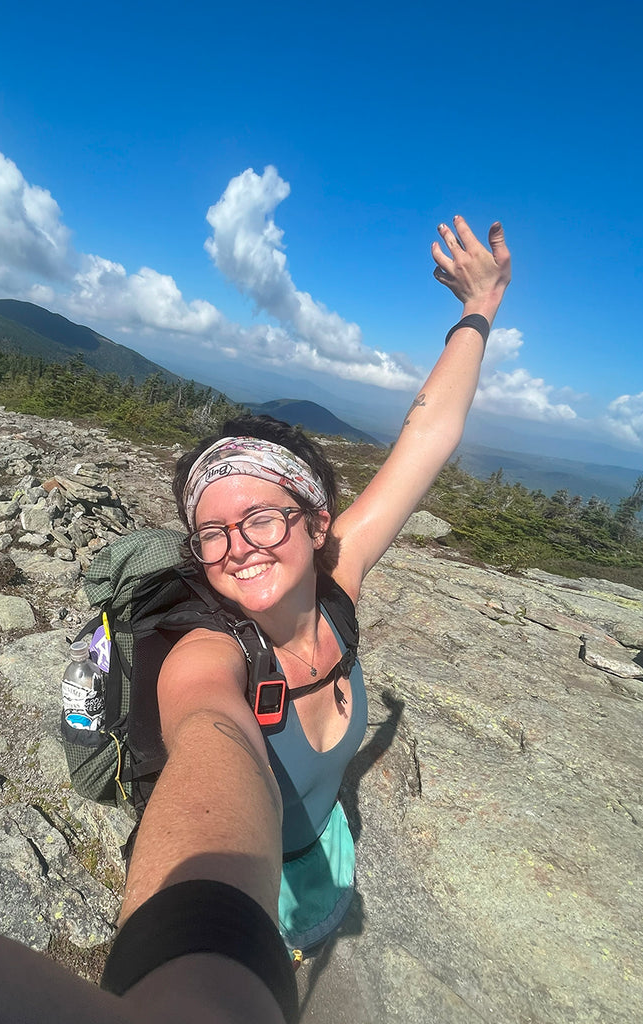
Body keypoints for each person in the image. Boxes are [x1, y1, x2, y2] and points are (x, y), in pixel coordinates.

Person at [162, 215, 511, 956]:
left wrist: (478, 308)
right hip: (252, 910)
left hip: (327, 853)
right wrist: (183, 959)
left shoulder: (337, 586)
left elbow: (427, 437)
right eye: (212, 530)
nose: (236, 549)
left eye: (260, 516)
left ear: (317, 522)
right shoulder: (205, 654)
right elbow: (206, 743)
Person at [0, 697, 298, 1023]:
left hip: (303, 866)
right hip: (263, 896)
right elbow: (210, 721)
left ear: (320, 547)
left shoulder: (336, 597)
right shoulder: (202, 641)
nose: (239, 550)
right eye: (211, 546)